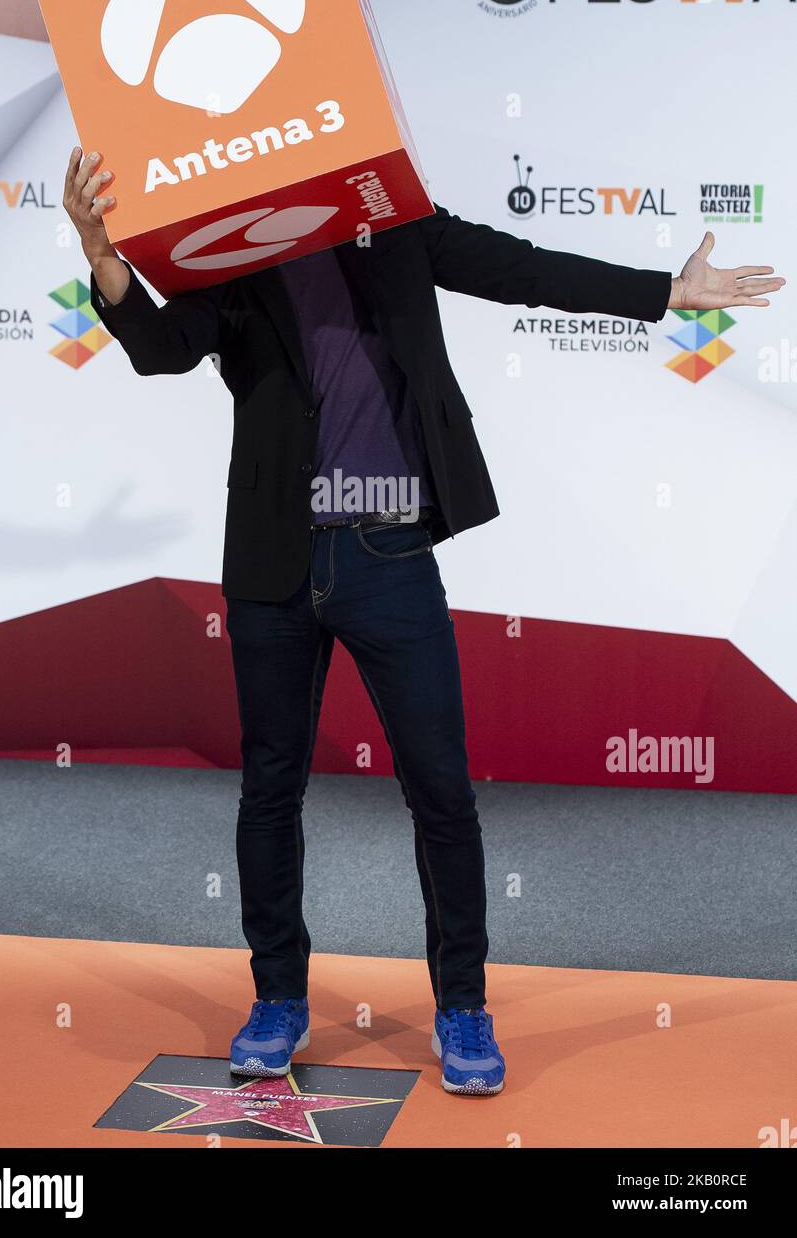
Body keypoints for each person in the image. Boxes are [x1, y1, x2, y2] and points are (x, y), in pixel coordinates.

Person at [64, 147, 784, 1096]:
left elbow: (522, 269)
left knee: (440, 789)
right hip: (274, 562)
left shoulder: (392, 225)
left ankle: (461, 1008)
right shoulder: (228, 252)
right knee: (269, 790)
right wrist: (97, 248)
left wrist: (664, 291)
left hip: (389, 554)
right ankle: (276, 999)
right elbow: (162, 349)